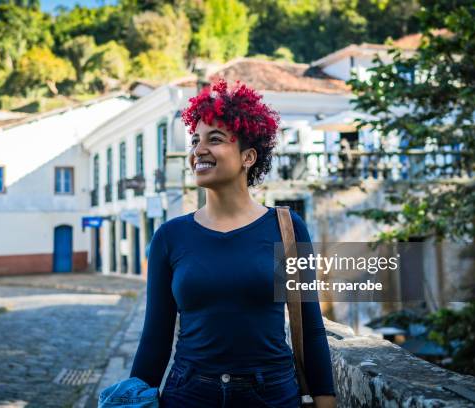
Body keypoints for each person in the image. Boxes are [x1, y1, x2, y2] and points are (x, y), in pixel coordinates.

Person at [128, 79, 337, 407]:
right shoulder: (169, 237)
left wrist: (326, 400)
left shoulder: (287, 228)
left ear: (248, 156)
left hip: (273, 395)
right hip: (189, 394)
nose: (198, 150)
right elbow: (155, 338)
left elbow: (311, 328)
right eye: (195, 140)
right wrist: (134, 398)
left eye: (215, 139)